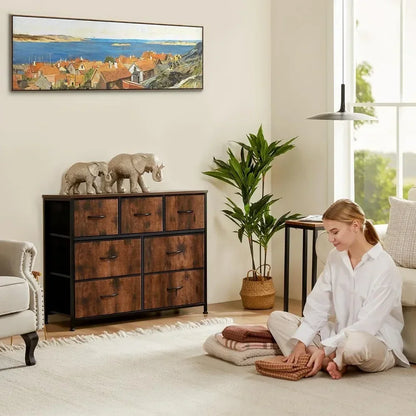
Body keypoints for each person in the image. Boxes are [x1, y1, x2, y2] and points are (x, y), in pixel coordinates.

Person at [267, 199, 410, 379]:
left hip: (376, 342)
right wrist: (301, 343)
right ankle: (328, 361)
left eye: (335, 232)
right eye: (328, 233)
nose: (330, 239)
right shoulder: (336, 257)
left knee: (354, 345)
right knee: (277, 319)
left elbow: (367, 326)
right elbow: (317, 306)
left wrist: (325, 348)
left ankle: (324, 356)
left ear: (355, 226)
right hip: (338, 335)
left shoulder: (384, 266)